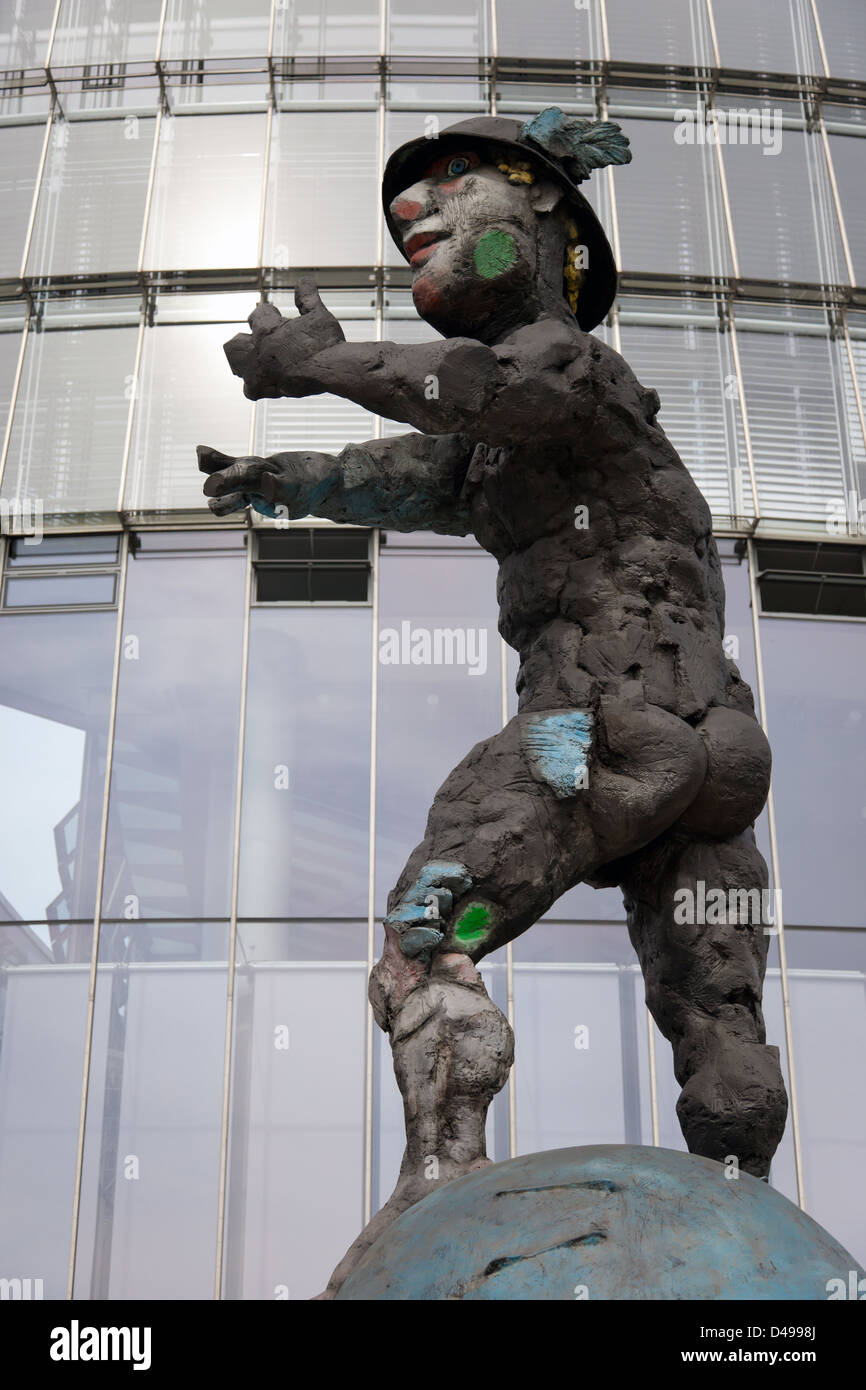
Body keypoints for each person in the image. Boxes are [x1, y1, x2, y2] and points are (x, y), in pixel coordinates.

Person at [198, 109, 787, 1296]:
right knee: (710, 1006)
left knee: (429, 933)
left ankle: (440, 1176)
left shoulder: (563, 366)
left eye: (455, 187)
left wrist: (309, 365)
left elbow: (463, 388)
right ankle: (743, 1233)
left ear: (540, 220)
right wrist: (286, 480)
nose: (415, 211)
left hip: (598, 727)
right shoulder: (534, 435)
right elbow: (412, 474)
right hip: (715, 750)